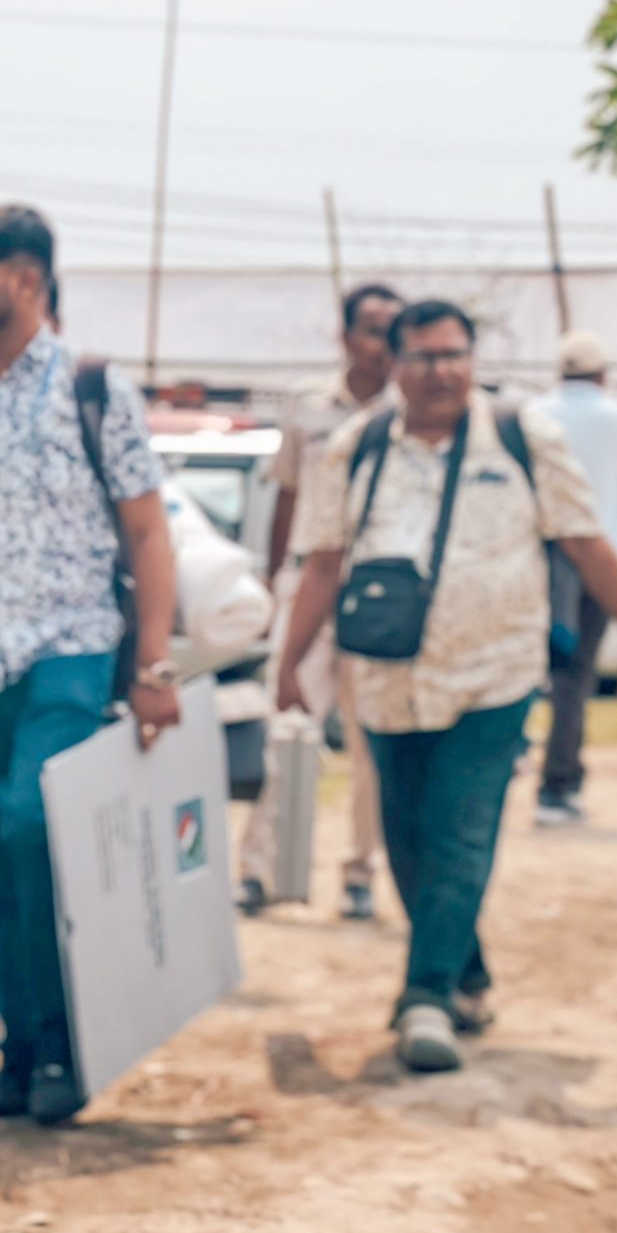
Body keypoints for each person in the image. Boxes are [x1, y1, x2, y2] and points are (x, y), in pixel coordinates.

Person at [277, 300, 617, 1075]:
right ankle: (468, 971)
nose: (441, 371)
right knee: (407, 839)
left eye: (455, 354)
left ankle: (423, 995)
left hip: (494, 675)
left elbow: (585, 541)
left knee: (460, 828)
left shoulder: (524, 438)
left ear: (474, 361)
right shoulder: (354, 448)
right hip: (386, 680)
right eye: (422, 356)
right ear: (393, 365)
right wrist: (288, 661)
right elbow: (322, 561)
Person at [0, 206, 183, 1131]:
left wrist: (155, 665)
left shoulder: (96, 391)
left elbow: (147, 531)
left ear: (27, 279)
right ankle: (21, 1048)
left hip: (69, 649)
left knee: (30, 820)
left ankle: (64, 1043)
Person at [247, 282, 403, 920]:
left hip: (379, 597)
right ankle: (258, 870)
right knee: (284, 725)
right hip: (307, 585)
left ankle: (361, 872)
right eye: (372, 330)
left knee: (371, 742)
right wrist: (275, 575)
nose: (384, 346)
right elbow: (286, 497)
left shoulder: (407, 414)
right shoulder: (307, 407)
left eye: (395, 332)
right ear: (345, 337)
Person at [530, 330, 617, 824]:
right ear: (603, 374)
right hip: (599, 557)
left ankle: (525, 762)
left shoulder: (535, 415)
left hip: (547, 553)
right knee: (574, 672)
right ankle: (558, 784)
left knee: (531, 665)